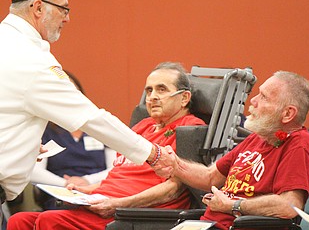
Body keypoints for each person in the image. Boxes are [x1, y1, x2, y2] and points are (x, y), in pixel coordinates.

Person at [0, 0, 167, 223]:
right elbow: (91, 118)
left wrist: (18, 146)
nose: (67, 17)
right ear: (38, 8)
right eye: (63, 8)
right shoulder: (31, 59)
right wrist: (154, 154)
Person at [6, 62, 206, 230]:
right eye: (149, 90)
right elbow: (118, 175)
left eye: (161, 89)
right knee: (19, 221)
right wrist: (85, 190)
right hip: (104, 204)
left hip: (135, 214)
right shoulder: (141, 126)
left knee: (49, 221)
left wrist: (116, 204)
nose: (152, 96)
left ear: (184, 98)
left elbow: (173, 189)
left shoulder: (190, 129)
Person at [157, 71, 309, 230]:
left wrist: (233, 205)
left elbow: (289, 205)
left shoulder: (299, 144)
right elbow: (210, 177)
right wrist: (174, 164)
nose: (253, 101)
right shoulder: (258, 137)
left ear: (288, 113)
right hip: (207, 224)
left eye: (264, 97)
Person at [31, 70, 116, 210]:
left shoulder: (97, 126)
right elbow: (34, 171)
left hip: (99, 191)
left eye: (73, 92)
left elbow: (116, 168)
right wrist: (66, 184)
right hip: (62, 194)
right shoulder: (44, 130)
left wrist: (87, 181)